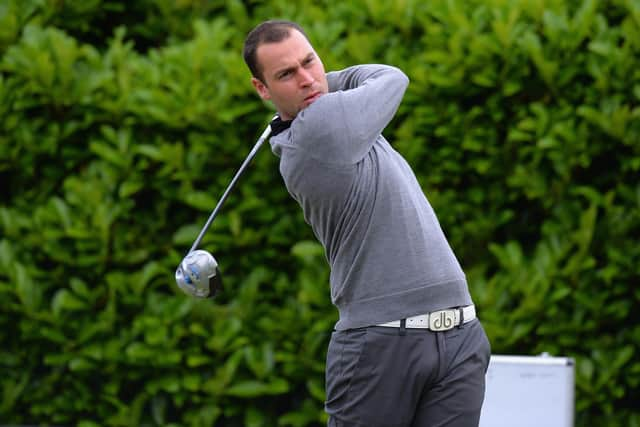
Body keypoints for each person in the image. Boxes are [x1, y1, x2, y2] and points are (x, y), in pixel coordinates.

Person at [243, 20, 491, 427]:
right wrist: (328, 84)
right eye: (286, 74)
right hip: (381, 345)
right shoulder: (318, 131)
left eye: (310, 62)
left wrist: (311, 86)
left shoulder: (343, 119)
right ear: (262, 89)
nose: (307, 79)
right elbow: (391, 77)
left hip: (459, 334)